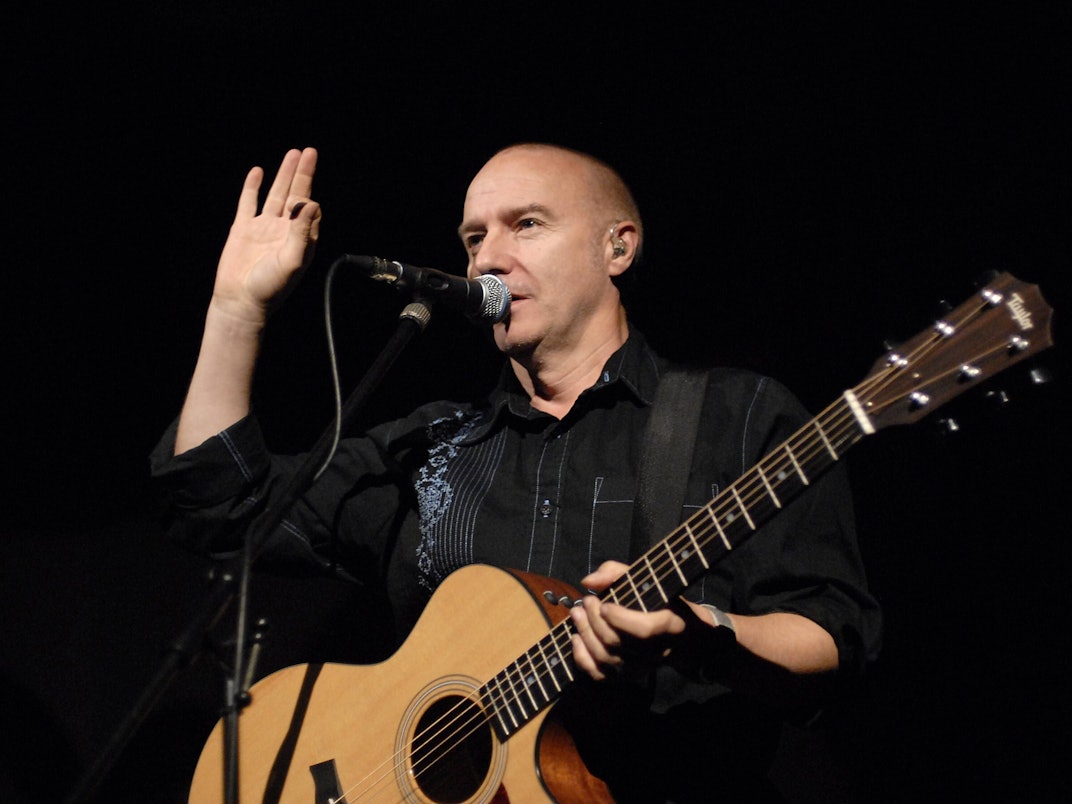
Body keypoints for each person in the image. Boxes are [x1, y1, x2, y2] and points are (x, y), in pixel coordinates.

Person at [151, 143, 882, 802]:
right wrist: (235, 310)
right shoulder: (432, 449)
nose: (486, 259)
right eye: (474, 237)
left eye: (525, 224)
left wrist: (698, 634)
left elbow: (833, 634)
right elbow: (225, 502)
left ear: (617, 247)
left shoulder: (736, 415)